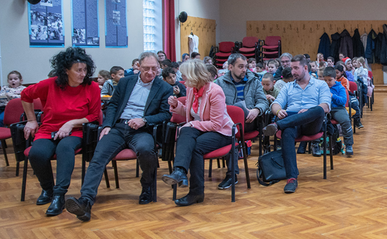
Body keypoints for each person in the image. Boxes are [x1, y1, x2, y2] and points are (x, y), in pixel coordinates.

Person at [64, 53, 173, 222]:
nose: (150, 72)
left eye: (154, 68)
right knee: (98, 157)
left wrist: (144, 120)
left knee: (146, 150)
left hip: (142, 130)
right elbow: (113, 105)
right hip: (118, 127)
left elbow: (165, 114)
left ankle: (147, 188)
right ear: (138, 67)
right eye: (146, 68)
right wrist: (107, 125)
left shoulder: (164, 87)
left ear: (158, 68)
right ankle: (85, 201)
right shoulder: (125, 82)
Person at [21, 48, 101, 216]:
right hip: (49, 129)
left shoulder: (92, 87)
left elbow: (93, 116)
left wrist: (71, 123)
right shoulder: (50, 84)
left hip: (76, 131)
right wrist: (31, 120)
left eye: (85, 70)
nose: (83, 74)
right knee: (37, 153)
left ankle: (59, 195)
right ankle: (47, 189)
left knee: (64, 148)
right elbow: (25, 95)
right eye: (78, 70)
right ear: (66, 70)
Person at [161, 60, 236, 206]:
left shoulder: (215, 91)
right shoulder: (191, 89)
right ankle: (180, 171)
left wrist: (193, 124)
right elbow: (191, 113)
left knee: (195, 146)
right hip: (201, 128)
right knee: (185, 131)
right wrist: (176, 105)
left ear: (193, 76)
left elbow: (216, 124)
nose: (182, 79)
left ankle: (195, 192)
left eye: (184, 75)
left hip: (221, 132)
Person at [263, 54, 331, 194]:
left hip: (312, 122)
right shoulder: (288, 87)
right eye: (291, 68)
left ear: (305, 68)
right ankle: (291, 178)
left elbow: (325, 106)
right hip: (292, 121)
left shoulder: (320, 84)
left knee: (318, 109)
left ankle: (278, 125)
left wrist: (308, 111)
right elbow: (275, 104)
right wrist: (278, 111)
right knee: (287, 132)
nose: (292, 71)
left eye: (295, 68)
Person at [215, 53, 270, 189]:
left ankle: (232, 175)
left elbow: (263, 101)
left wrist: (256, 110)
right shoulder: (219, 83)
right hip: (228, 123)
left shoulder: (254, 81)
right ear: (230, 67)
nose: (244, 69)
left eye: (245, 66)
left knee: (232, 127)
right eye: (240, 67)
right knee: (230, 130)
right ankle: (232, 175)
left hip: (249, 121)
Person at [322, 66, 354, 156]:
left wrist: (332, 96)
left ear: (335, 78)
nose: (327, 82)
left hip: (337, 109)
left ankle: (348, 145)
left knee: (346, 121)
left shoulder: (340, 87)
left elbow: (343, 101)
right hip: (325, 109)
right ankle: (317, 144)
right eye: (325, 80)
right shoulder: (322, 87)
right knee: (317, 120)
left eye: (330, 80)